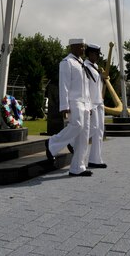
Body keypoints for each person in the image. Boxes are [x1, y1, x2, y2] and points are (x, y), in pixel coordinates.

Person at [45, 38, 94, 177]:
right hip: (74, 101)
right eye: (80, 47)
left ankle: (78, 167)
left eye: (84, 47)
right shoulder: (67, 63)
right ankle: (52, 143)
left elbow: (87, 88)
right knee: (77, 125)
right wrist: (64, 106)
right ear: (72, 47)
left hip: (85, 103)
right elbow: (64, 85)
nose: (83, 49)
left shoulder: (82, 64)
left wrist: (89, 105)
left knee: (84, 136)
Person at [84, 43, 107, 168]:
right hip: (91, 103)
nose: (97, 56)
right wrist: (88, 105)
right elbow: (85, 87)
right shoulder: (85, 67)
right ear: (90, 54)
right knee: (92, 128)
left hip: (99, 102)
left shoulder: (95, 67)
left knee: (99, 131)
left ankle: (95, 159)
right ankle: (73, 142)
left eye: (98, 54)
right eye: (96, 54)